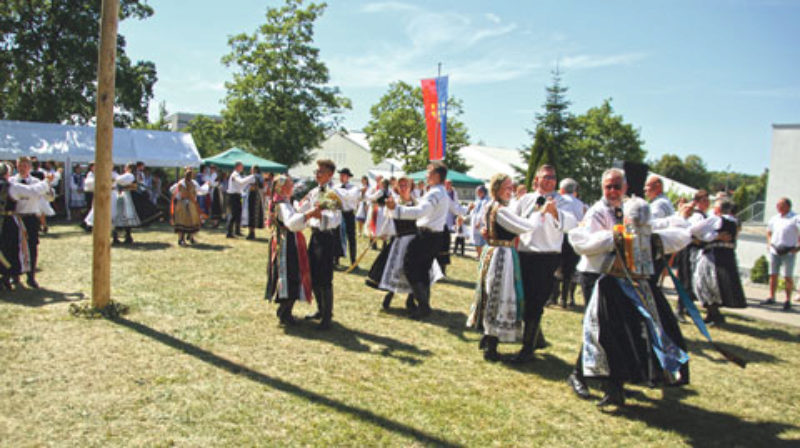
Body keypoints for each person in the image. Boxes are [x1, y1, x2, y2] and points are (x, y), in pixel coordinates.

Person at [567, 169, 691, 407]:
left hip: (623, 281)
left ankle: (611, 383)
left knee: (617, 331)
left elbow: (668, 230)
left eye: (616, 186)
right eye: (608, 187)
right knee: (598, 329)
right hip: (597, 275)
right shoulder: (597, 212)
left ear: (625, 187)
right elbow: (583, 242)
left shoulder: (634, 209)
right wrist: (615, 237)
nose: (612, 191)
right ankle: (583, 376)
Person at [510, 164, 578, 363]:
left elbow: (572, 223)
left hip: (547, 256)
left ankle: (527, 348)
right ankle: (537, 338)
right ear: (536, 179)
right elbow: (513, 219)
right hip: (524, 253)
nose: (549, 180)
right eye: (545, 177)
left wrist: (555, 213)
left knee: (537, 300)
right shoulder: (525, 199)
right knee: (523, 298)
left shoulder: (563, 201)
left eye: (553, 177)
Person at [466, 173, 537, 361]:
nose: (510, 190)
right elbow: (523, 226)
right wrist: (539, 213)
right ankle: (491, 342)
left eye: (511, 186)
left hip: (495, 251)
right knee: (499, 294)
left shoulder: (492, 206)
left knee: (492, 293)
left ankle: (488, 337)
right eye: (506, 186)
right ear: (496, 188)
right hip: (501, 255)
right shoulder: (500, 210)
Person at [385, 161, 463, 319]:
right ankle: (421, 304)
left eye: (429, 172)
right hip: (435, 237)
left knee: (411, 268)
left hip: (426, 236)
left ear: (436, 175)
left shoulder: (435, 193)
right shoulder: (441, 193)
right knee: (423, 271)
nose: (426, 175)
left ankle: (423, 306)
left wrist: (397, 209)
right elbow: (456, 209)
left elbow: (421, 211)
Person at [296, 159, 359, 329]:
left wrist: (320, 216)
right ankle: (320, 309)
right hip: (315, 235)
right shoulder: (314, 191)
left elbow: (336, 218)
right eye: (316, 171)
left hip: (328, 236)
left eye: (321, 172)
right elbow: (303, 208)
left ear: (330, 174)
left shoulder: (334, 193)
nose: (317, 174)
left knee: (325, 277)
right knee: (313, 274)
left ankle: (327, 316)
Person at [366, 176, 443, 311]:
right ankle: (390, 294)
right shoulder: (393, 203)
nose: (403, 188)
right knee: (397, 269)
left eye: (405, 185)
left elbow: (424, 217)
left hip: (415, 241)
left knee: (415, 271)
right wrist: (383, 233)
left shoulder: (418, 203)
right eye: (400, 185)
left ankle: (411, 300)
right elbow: (387, 220)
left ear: (411, 187)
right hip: (400, 240)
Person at [265, 175, 319, 325]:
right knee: (290, 274)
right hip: (286, 243)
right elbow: (291, 223)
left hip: (288, 241)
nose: (292, 186)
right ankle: (284, 311)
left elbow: (295, 214)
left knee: (293, 275)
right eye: (289, 185)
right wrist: (309, 214)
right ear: (282, 188)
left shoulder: (284, 202)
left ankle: (285, 310)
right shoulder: (282, 204)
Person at [689, 198, 748, 323]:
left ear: (719, 209)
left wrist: (713, 237)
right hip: (726, 257)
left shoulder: (717, 219)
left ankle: (713, 314)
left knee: (705, 283)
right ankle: (714, 314)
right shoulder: (735, 222)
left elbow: (694, 229)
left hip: (713, 256)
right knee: (718, 286)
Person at [1, 161, 54, 290]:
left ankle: (25, 276)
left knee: (20, 248)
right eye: (19, 166)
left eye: (25, 165)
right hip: (9, 220)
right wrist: (47, 181)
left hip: (27, 218)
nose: (21, 168)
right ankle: (9, 276)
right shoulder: (12, 185)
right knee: (11, 249)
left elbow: (47, 196)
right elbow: (33, 191)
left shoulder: (25, 182)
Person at [674, 190, 711, 321]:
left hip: (696, 251)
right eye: (704, 200)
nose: (707, 203)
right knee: (686, 280)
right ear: (696, 202)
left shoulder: (704, 215)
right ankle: (679, 309)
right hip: (688, 250)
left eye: (708, 200)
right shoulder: (697, 216)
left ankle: (688, 308)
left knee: (692, 281)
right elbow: (691, 232)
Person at [551, 177, 586, 308]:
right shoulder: (582, 205)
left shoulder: (558, 201)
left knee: (554, 269)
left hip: (559, 237)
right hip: (574, 239)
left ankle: (553, 297)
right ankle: (566, 298)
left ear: (562, 189)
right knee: (570, 271)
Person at [764, 197, 799, 310]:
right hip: (775, 249)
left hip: (788, 250)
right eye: (778, 205)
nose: (778, 207)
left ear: (787, 206)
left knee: (787, 276)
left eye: (781, 205)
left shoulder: (795, 218)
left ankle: (787, 299)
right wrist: (769, 243)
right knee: (773, 274)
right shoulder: (774, 218)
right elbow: (769, 232)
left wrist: (798, 247)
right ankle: (771, 296)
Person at [170, 167, 209, 246]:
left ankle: (181, 239)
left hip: (181, 204)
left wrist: (178, 196)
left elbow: (171, 190)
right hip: (191, 205)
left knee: (181, 221)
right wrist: (207, 185)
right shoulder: (194, 183)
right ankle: (190, 238)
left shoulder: (180, 183)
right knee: (192, 221)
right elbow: (201, 191)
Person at [335, 168, 359, 268]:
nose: (341, 177)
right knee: (337, 236)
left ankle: (353, 261)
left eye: (343, 175)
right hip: (339, 213)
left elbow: (348, 196)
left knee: (351, 237)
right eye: (340, 175)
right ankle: (336, 260)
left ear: (348, 177)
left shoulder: (354, 188)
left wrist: (337, 192)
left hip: (349, 214)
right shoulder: (336, 187)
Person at [225, 161, 256, 238]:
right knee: (234, 214)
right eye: (241, 166)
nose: (242, 168)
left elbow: (241, 184)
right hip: (233, 196)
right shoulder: (235, 175)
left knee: (238, 213)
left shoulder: (237, 174)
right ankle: (229, 232)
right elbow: (241, 182)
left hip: (237, 195)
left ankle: (237, 231)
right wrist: (251, 177)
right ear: (237, 166)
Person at [244, 166, 265, 240]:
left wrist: (254, 186)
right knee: (253, 214)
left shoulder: (255, 176)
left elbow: (260, 186)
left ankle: (251, 233)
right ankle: (251, 232)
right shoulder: (260, 177)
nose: (251, 170)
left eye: (252, 169)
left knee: (251, 214)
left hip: (253, 196)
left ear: (255, 170)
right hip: (257, 196)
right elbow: (262, 186)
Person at [470, 185, 489, 258]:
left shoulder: (486, 201)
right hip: (474, 221)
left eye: (478, 192)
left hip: (480, 223)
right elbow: (474, 211)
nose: (477, 193)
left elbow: (483, 212)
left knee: (481, 240)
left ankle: (482, 255)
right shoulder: (477, 200)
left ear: (482, 192)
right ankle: (478, 254)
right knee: (475, 239)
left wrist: (479, 222)